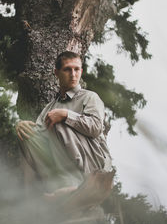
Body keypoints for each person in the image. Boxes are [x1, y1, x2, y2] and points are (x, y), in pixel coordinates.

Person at [15, 51, 112, 195]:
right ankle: (42, 190)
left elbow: (96, 127)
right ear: (57, 72)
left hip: (93, 165)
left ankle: (72, 184)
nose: (73, 74)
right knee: (27, 134)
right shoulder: (49, 107)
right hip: (62, 161)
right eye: (67, 69)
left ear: (81, 71)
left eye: (77, 69)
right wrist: (20, 125)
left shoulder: (90, 97)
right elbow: (41, 137)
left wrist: (66, 115)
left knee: (57, 122)